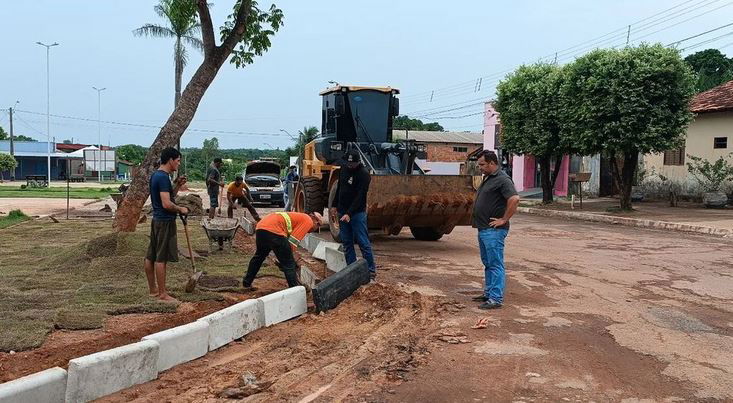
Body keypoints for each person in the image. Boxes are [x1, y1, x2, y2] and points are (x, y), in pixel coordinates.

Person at [472, 150, 520, 310]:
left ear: (492, 163)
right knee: (488, 263)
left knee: (495, 264)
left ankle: (495, 298)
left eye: (482, 164)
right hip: (484, 229)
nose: (480, 167)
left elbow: (514, 199)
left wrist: (504, 219)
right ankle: (488, 293)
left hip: (494, 231)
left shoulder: (502, 179)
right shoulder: (489, 178)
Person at [144, 147, 189, 303]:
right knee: (160, 258)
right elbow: (167, 204)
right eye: (177, 161)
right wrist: (181, 209)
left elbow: (169, 196)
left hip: (157, 220)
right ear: (170, 160)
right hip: (164, 221)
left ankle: (153, 290)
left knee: (151, 255)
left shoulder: (157, 175)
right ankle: (163, 294)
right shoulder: (163, 178)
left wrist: (176, 185)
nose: (178, 164)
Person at [243, 211, 323, 289]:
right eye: (318, 225)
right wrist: (291, 259)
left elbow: (286, 242)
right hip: (274, 231)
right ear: (315, 220)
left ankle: (247, 283)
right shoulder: (308, 220)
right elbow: (293, 241)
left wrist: (282, 257)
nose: (316, 229)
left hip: (261, 228)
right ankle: (295, 290)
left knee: (259, 257)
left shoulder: (298, 217)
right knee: (289, 264)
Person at [330, 149, 376, 280]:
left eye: (352, 164)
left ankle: (371, 271)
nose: (350, 166)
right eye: (348, 163)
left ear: (358, 162)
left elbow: (360, 197)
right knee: (347, 242)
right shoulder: (344, 168)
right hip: (342, 211)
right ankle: (351, 269)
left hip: (356, 213)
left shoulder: (364, 174)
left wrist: (349, 213)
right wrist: (334, 205)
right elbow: (340, 188)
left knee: (363, 242)